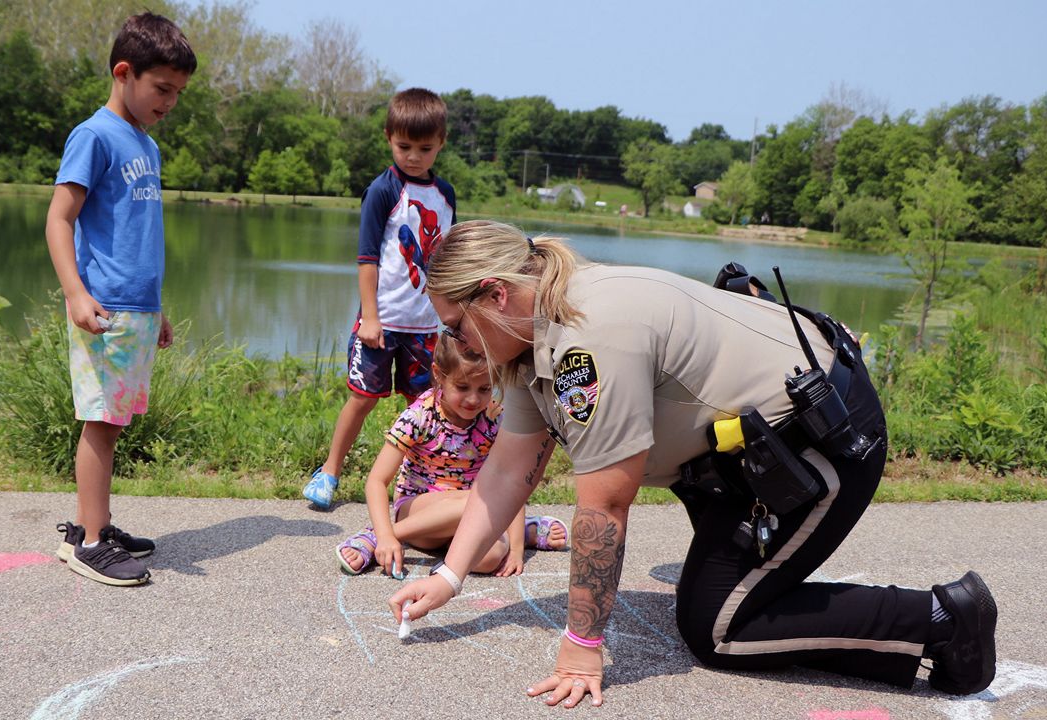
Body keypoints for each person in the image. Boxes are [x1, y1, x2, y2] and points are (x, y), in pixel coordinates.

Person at [389, 220, 998, 707]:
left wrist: (581, 648)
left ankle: (942, 618)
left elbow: (603, 508)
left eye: (458, 328)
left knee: (718, 628)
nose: (461, 347)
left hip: (824, 440)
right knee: (716, 601)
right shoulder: (528, 331)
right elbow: (507, 470)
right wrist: (449, 577)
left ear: (494, 295)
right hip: (745, 457)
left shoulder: (586, 340)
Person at [44, 12, 196, 586]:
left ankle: (97, 523)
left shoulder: (146, 144)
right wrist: (76, 293)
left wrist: (157, 308)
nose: (170, 101)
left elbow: (141, 237)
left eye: (178, 93)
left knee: (116, 420)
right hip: (101, 307)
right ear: (124, 72)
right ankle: (86, 543)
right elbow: (59, 220)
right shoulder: (94, 135)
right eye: (162, 88)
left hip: (135, 308)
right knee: (100, 423)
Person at [302, 88, 457, 510]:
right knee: (363, 397)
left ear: (441, 143)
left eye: (424, 148)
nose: (413, 156)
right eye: (403, 146)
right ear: (389, 137)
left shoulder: (445, 195)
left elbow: (444, 260)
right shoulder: (383, 190)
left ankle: (420, 480)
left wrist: (453, 317)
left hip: (425, 326)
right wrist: (369, 317)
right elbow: (368, 257)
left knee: (425, 405)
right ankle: (330, 471)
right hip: (382, 321)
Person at [335, 334, 568, 578]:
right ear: (439, 374)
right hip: (418, 514)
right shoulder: (419, 417)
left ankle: (513, 531)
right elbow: (376, 481)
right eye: (462, 387)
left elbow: (511, 478)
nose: (473, 399)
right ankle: (378, 537)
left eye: (485, 388)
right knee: (480, 499)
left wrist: (517, 549)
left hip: (466, 518)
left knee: (491, 557)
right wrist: (385, 535)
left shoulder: (493, 419)